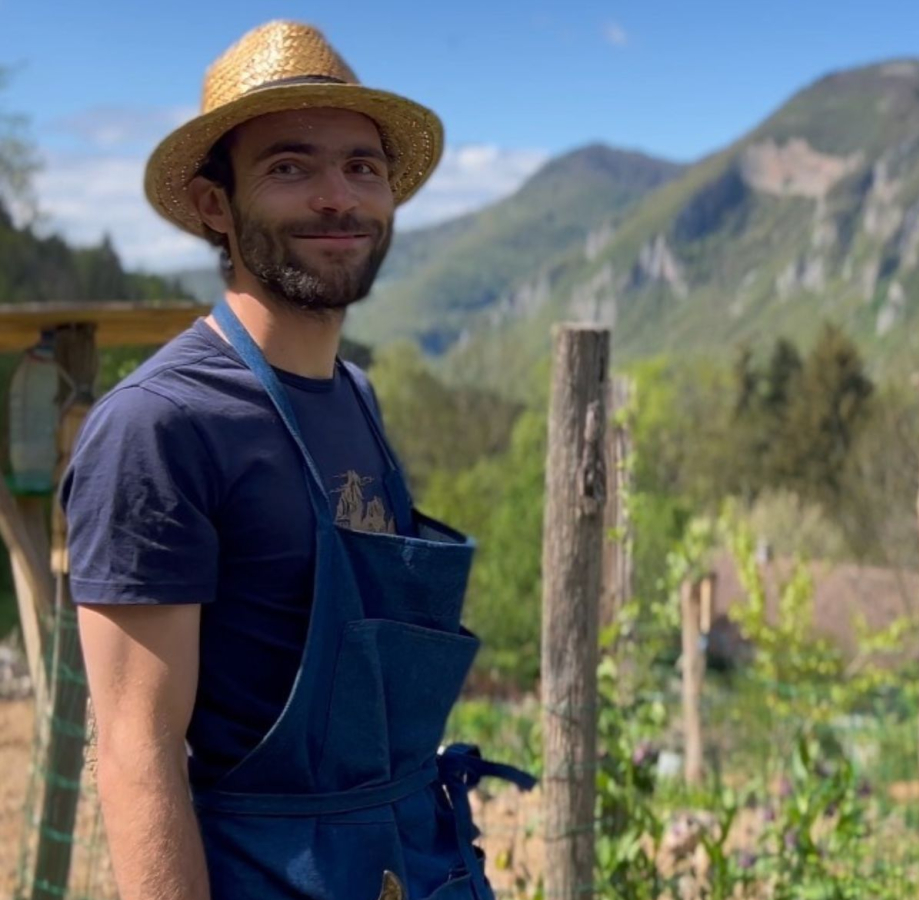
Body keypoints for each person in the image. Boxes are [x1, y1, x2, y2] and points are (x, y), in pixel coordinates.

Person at [60, 20, 531, 900]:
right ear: (213, 206)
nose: (336, 197)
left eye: (363, 166)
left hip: (415, 868)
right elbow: (135, 749)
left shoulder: (359, 397)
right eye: (289, 166)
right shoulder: (157, 430)